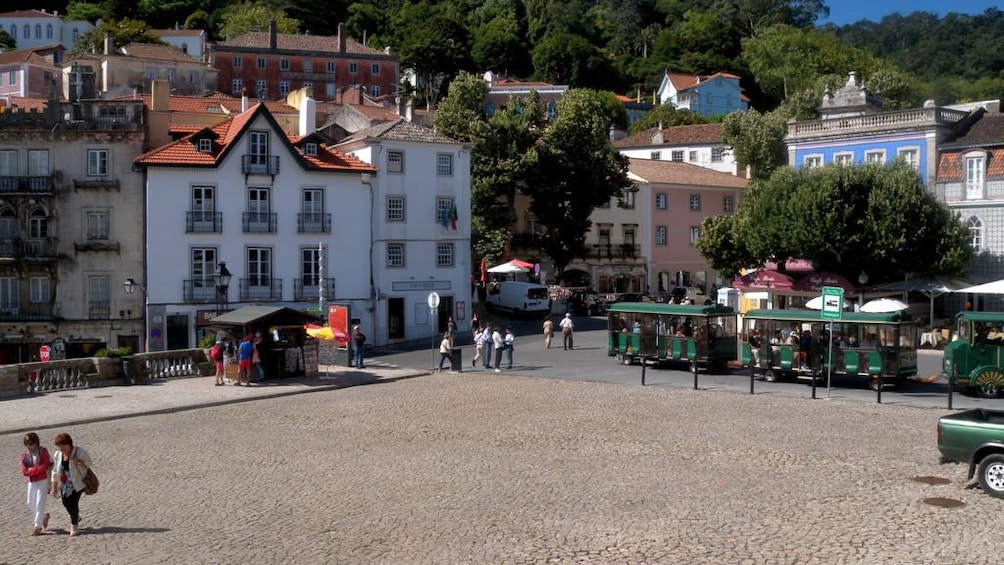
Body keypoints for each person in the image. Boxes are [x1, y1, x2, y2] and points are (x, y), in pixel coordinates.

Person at [49, 433, 92, 537]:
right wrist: (54, 486)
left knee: (73, 503)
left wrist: (78, 462)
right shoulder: (58, 455)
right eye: (59, 446)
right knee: (65, 502)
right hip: (65, 483)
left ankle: (74, 526)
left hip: (77, 482)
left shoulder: (79, 452)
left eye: (64, 446)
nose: (62, 449)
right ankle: (76, 517)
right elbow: (55, 471)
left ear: (69, 444)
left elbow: (89, 463)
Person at [20, 432, 52, 536]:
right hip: (32, 481)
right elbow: (24, 471)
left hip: (43, 480)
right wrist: (35, 470)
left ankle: (37, 527)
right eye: (27, 444)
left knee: (39, 503)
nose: (29, 446)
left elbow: (45, 466)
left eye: (31, 444)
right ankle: (44, 516)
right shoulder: (24, 455)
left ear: (36, 443)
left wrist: (32, 470)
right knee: (30, 502)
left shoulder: (43, 451)